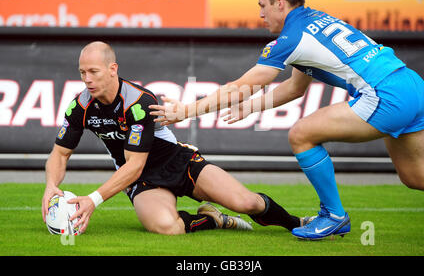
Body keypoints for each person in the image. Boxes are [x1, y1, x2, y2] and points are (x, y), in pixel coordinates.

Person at [149, 0, 424, 240]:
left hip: (386, 95)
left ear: (279, 3)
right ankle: (333, 215)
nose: (260, 14)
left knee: (301, 134)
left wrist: (184, 111)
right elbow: (295, 88)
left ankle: (334, 215)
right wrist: (254, 107)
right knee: (417, 176)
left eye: (262, 5)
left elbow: (240, 88)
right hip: (413, 85)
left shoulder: (292, 36)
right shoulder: (315, 21)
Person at [41, 41, 308, 236]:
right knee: (168, 227)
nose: (86, 79)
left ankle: (298, 224)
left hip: (177, 161)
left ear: (112, 69)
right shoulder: (80, 107)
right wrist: (51, 185)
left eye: (93, 72)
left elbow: (134, 162)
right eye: (82, 72)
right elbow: (60, 153)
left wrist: (93, 199)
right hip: (141, 180)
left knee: (247, 203)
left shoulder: (139, 101)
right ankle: (212, 220)